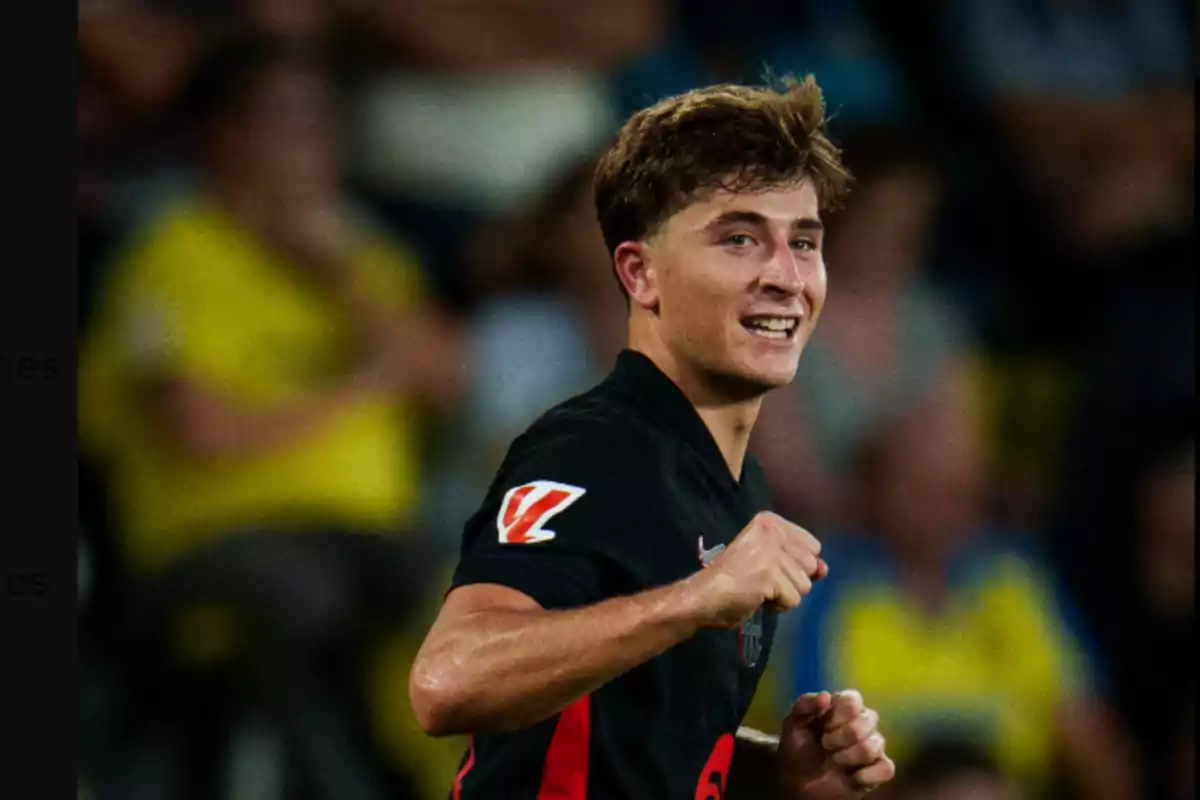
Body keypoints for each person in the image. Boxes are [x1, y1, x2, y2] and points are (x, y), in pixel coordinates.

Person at [409, 76, 895, 799]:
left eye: (803, 241)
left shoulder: (734, 485)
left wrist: (780, 767)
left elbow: (633, 745)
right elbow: (447, 682)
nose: (785, 277)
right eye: (739, 238)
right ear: (640, 273)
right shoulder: (593, 449)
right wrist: (698, 598)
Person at [780, 393, 1139, 799]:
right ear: (874, 488)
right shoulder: (828, 590)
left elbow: (1091, 737)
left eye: (957, 485)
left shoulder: (1014, 583)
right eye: (920, 484)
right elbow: (815, 772)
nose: (941, 503)